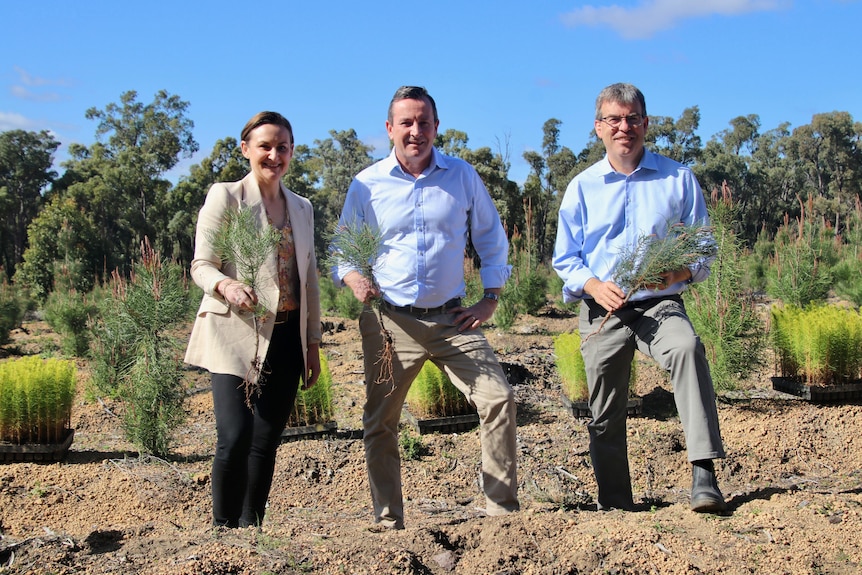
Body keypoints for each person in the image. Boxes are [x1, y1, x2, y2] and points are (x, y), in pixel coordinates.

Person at [332, 86, 519, 529]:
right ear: (390, 128)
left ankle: (501, 512)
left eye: (424, 122)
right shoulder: (366, 184)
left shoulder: (461, 176)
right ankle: (388, 520)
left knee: (499, 398)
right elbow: (342, 247)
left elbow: (491, 238)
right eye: (407, 123)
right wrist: (353, 275)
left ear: (437, 126)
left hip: (455, 319)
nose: (416, 131)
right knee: (380, 420)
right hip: (390, 322)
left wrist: (490, 297)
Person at [552, 83, 728, 513]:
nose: (623, 127)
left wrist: (680, 271)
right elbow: (565, 257)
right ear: (599, 128)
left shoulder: (677, 178)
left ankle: (704, 475)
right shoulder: (581, 187)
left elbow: (704, 246)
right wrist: (593, 286)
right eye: (614, 119)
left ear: (646, 124)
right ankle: (615, 503)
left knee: (687, 348)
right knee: (604, 409)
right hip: (603, 310)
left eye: (632, 118)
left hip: (659, 305)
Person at [185, 111, 322, 528]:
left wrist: (312, 345)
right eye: (265, 146)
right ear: (246, 149)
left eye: (282, 147)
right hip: (236, 333)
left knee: (265, 441)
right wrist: (226, 286)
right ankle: (223, 531)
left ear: (292, 152)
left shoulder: (302, 207)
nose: (274, 155)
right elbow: (201, 265)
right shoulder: (226, 197)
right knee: (235, 436)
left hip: (286, 338)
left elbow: (309, 280)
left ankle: (251, 531)